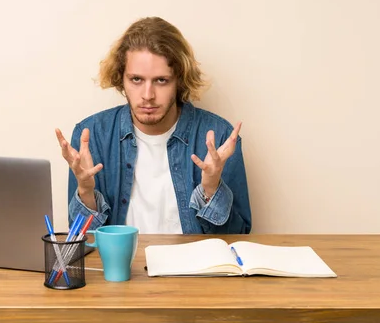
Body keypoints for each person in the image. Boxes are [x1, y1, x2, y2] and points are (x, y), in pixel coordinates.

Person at [55, 17, 251, 234]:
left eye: (161, 81)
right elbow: (83, 244)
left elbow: (238, 238)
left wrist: (211, 189)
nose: (148, 96)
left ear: (179, 80)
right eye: (137, 80)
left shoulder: (220, 137)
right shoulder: (92, 136)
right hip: (124, 267)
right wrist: (86, 191)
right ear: (122, 79)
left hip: (190, 268)